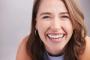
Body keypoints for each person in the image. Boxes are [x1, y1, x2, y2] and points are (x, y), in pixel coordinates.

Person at [16, 0, 90, 60]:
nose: (55, 27)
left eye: (64, 16)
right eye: (46, 17)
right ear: (35, 23)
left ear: (75, 22)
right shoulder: (27, 46)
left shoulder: (87, 47)